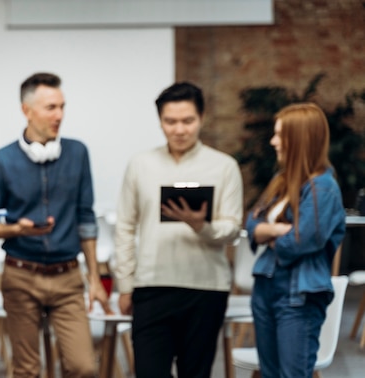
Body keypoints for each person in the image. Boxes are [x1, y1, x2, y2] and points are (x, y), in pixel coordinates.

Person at [0, 72, 111, 377]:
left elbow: (86, 219)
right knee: (27, 370)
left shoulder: (77, 154)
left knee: (82, 367)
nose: (59, 115)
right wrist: (17, 230)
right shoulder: (0, 161)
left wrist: (94, 278)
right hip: (21, 276)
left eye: (62, 107)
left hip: (67, 279)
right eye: (51, 107)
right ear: (27, 110)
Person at [114, 82, 243, 377]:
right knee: (148, 372)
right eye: (170, 122)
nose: (179, 129)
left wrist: (201, 225)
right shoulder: (140, 165)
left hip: (206, 288)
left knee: (195, 373)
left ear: (202, 118)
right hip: (150, 286)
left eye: (188, 121)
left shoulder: (224, 166)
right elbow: (124, 226)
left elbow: (233, 230)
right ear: (160, 121)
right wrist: (125, 284)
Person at [245, 103, 346, 377]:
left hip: (299, 294)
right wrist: (278, 230)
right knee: (270, 373)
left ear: (299, 138)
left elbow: (301, 242)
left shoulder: (323, 188)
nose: (273, 141)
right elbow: (252, 223)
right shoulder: (282, 180)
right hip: (266, 285)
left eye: (279, 134)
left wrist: (271, 233)